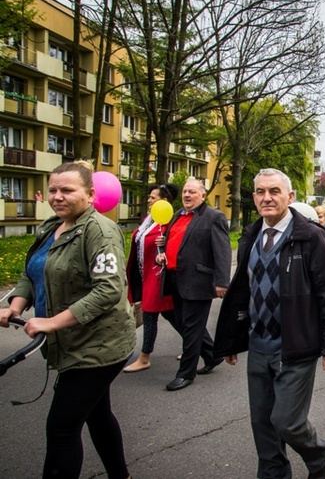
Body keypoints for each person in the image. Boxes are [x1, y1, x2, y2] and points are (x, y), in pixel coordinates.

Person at [0, 160, 135, 478]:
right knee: (98, 413)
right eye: (53, 190)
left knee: (61, 428)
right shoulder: (51, 226)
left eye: (67, 190)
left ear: (90, 195)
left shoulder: (100, 231)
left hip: (99, 347)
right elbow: (33, 272)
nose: (58, 196)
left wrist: (51, 322)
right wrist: (15, 307)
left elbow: (109, 290)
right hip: (72, 342)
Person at [214, 168, 325, 479]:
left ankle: (318, 455)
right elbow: (242, 292)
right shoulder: (250, 236)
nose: (266, 197)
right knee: (262, 424)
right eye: (260, 192)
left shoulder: (311, 237)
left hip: (296, 347)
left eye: (274, 191)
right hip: (259, 345)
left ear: (290, 197)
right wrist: (232, 339)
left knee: (287, 421)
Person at [156, 178, 231, 391]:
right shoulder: (177, 215)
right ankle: (212, 354)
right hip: (173, 279)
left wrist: (222, 282)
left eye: (192, 192)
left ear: (203, 195)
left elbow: (223, 251)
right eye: (185, 192)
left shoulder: (214, 217)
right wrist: (159, 255)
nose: (187, 195)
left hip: (198, 281)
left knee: (190, 327)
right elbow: (171, 244)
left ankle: (185, 373)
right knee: (177, 319)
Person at [124, 183, 180, 372]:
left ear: (163, 202)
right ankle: (203, 348)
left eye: (153, 197)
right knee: (172, 315)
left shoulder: (168, 222)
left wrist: (164, 245)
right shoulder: (150, 220)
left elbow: (175, 246)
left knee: (149, 315)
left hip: (157, 276)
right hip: (145, 275)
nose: (149, 200)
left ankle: (144, 357)